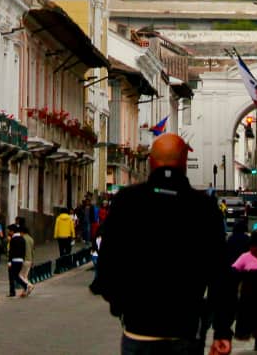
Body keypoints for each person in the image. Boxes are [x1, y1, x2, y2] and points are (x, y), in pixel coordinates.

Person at [90, 134, 235, 355]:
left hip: (138, 327)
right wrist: (222, 330)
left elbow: (108, 262)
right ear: (185, 161)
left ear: (150, 161)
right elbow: (221, 274)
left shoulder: (128, 201)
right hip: (185, 329)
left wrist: (121, 306)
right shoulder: (203, 207)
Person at [6, 223, 30, 299]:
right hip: (20, 260)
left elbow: (11, 251)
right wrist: (22, 259)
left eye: (9, 231)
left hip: (14, 260)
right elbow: (24, 250)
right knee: (16, 275)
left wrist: (9, 261)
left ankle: (24, 286)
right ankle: (19, 288)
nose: (9, 232)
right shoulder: (22, 239)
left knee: (13, 276)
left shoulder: (13, 239)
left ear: (12, 231)